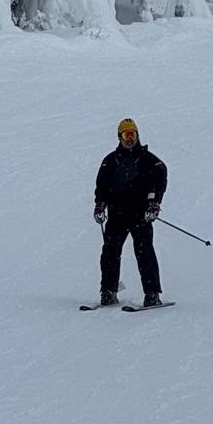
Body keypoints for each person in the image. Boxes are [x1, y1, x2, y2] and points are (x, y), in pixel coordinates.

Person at [93, 118, 168, 306]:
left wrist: (154, 203)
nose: (129, 139)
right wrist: (99, 205)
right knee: (110, 252)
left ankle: (152, 293)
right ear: (119, 137)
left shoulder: (148, 160)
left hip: (140, 216)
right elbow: (102, 185)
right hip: (117, 217)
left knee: (144, 253)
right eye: (126, 135)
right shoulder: (110, 161)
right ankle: (108, 291)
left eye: (132, 135)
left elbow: (160, 176)